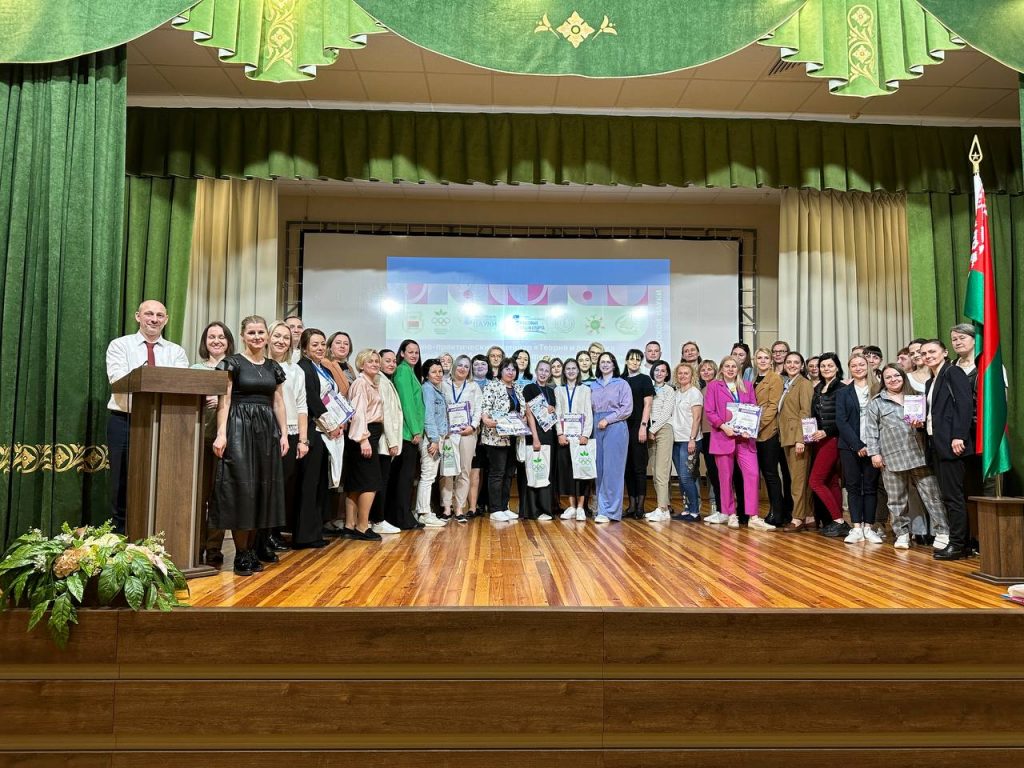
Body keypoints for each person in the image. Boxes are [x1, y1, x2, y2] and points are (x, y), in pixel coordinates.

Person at [210, 315, 288, 576]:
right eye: (251, 332)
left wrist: (283, 434)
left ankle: (252, 550)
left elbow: (278, 402)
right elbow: (224, 401)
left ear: (267, 336)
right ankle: (241, 554)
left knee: (261, 490)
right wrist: (222, 433)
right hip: (239, 428)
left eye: (261, 332)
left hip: (266, 431)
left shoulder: (274, 367)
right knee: (242, 490)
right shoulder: (232, 363)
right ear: (243, 335)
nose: (257, 337)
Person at [105, 300, 189, 533]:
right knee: (121, 480)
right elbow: (117, 380)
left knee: (162, 478)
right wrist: (151, 378)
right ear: (137, 316)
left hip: (164, 423)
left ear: (166, 319)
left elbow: (180, 384)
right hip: (125, 421)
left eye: (160, 315)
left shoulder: (176, 352)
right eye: (149, 314)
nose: (154, 319)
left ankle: (157, 533)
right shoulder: (120, 345)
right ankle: (120, 534)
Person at [865, 364, 950, 550]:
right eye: (888, 377)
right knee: (896, 501)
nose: (893, 379)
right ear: (883, 381)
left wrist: (921, 425)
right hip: (891, 458)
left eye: (896, 375)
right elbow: (871, 431)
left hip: (919, 456)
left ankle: (943, 532)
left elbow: (931, 423)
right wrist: (874, 453)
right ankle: (902, 534)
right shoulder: (877, 403)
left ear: (903, 376)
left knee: (933, 497)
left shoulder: (918, 397)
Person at [920, 339, 975, 560]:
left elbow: (965, 404)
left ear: (944, 352)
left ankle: (958, 545)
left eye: (932, 351)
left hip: (953, 444)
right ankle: (964, 544)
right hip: (936, 445)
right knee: (949, 496)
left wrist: (959, 435)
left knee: (954, 497)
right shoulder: (930, 382)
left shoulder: (953, 372)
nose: (928, 356)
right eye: (924, 353)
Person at [704, 356, 773, 530]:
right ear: (721, 369)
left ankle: (753, 516)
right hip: (723, 437)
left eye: (733, 366)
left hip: (745, 439)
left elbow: (752, 409)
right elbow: (710, 412)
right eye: (727, 366)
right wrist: (723, 426)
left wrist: (749, 427)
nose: (730, 369)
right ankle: (731, 514)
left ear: (738, 369)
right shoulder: (714, 386)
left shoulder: (747, 386)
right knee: (725, 478)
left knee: (753, 475)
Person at [191, 322, 234, 568]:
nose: (216, 341)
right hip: (200, 438)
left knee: (220, 496)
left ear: (228, 341)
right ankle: (195, 545)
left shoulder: (235, 367)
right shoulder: (195, 369)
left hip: (227, 439)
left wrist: (223, 402)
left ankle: (214, 547)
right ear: (204, 341)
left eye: (221, 336)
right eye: (211, 337)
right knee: (199, 495)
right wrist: (201, 400)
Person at [267, 321, 310, 553]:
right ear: (268, 337)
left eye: (286, 337)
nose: (281, 341)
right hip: (263, 431)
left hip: (290, 433)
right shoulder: (260, 365)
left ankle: (274, 533)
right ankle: (261, 535)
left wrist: (303, 439)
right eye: (277, 336)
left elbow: (302, 406)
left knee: (282, 487)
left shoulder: (296, 371)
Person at [294, 329, 338, 549]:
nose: (320, 348)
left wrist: (340, 420)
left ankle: (315, 530)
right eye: (315, 345)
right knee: (309, 484)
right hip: (313, 430)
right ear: (304, 348)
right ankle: (304, 535)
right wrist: (331, 424)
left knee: (320, 483)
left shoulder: (323, 368)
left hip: (326, 432)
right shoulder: (303, 368)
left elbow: (332, 398)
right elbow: (311, 399)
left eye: (322, 344)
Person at [836, 354, 882, 544]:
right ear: (849, 368)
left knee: (871, 487)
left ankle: (869, 527)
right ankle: (856, 527)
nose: (858, 368)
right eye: (853, 365)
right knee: (853, 486)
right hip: (849, 446)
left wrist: (870, 445)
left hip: (874, 445)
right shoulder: (843, 392)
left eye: (861, 364)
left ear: (868, 366)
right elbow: (841, 421)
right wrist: (857, 445)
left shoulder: (878, 388)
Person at [343, 349, 387, 541]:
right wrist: (363, 439)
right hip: (364, 435)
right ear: (361, 364)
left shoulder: (370, 383)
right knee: (371, 482)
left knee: (356, 482)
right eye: (370, 361)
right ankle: (362, 526)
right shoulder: (361, 384)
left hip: (367, 435)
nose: (375, 364)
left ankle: (349, 525)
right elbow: (358, 412)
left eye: (377, 361)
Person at [806, 352, 849, 538]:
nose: (826, 369)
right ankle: (837, 521)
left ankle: (839, 521)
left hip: (833, 439)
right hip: (819, 439)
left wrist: (827, 431)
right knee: (831, 481)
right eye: (823, 366)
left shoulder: (842, 388)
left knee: (815, 481)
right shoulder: (818, 388)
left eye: (830, 365)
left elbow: (843, 417)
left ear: (837, 367)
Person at [480, 358, 528, 522]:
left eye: (513, 369)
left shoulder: (518, 388)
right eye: (507, 369)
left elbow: (522, 412)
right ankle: (495, 509)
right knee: (497, 473)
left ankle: (504, 506)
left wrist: (523, 420)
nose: (510, 372)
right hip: (496, 437)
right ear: (500, 371)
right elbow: (485, 410)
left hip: (514, 437)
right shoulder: (492, 386)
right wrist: (488, 420)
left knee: (508, 474)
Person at [589, 352, 633, 523]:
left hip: (615, 427)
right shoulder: (593, 385)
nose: (605, 364)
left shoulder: (622, 384)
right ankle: (601, 508)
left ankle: (611, 511)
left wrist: (607, 420)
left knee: (613, 470)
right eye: (602, 362)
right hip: (596, 426)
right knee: (599, 469)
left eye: (609, 361)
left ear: (614, 364)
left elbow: (627, 408)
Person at [388, 339, 426, 530]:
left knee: (404, 477)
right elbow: (407, 404)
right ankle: (401, 518)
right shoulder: (402, 371)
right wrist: (416, 430)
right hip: (407, 433)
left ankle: (401, 516)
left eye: (416, 352)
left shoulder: (410, 372)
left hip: (409, 432)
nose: (414, 355)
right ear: (402, 353)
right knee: (404, 478)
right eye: (410, 352)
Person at [441, 355, 482, 523]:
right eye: (460, 365)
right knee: (448, 471)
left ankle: (459, 508)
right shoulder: (444, 384)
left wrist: (472, 426)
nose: (463, 368)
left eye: (466, 366)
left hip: (467, 434)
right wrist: (444, 428)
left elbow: (478, 409)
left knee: (465, 471)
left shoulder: (473, 386)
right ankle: (446, 507)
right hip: (449, 434)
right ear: (454, 366)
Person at [778, 352, 816, 532]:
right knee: (801, 479)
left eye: (796, 362)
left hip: (797, 439)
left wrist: (801, 439)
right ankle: (809, 516)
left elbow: (805, 412)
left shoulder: (804, 383)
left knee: (797, 482)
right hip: (788, 437)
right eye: (789, 362)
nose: (792, 365)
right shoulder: (788, 384)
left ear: (802, 366)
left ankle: (797, 518)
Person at [555, 358, 593, 521]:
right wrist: (559, 433)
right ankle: (571, 506)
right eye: (568, 368)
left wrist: (586, 434)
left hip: (580, 437)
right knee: (567, 472)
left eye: (573, 368)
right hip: (565, 438)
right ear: (564, 372)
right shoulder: (558, 390)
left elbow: (588, 413)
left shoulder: (585, 389)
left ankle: (581, 507)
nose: (571, 371)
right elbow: (557, 413)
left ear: (578, 371)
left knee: (582, 472)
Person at [370, 348, 403, 536]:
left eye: (393, 361)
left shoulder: (386, 381)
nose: (392, 364)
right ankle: (378, 520)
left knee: (383, 480)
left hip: (387, 440)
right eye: (387, 361)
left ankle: (378, 518)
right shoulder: (381, 382)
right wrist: (392, 442)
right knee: (381, 481)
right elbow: (387, 415)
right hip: (384, 440)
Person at [521, 360, 559, 520]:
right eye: (541, 370)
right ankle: (532, 510)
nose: (543, 373)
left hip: (549, 435)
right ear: (536, 371)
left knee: (545, 471)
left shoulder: (551, 391)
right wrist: (535, 437)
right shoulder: (529, 388)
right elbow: (529, 414)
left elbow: (552, 414)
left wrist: (552, 409)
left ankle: (546, 509)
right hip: (534, 434)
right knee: (533, 469)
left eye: (546, 371)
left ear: (550, 374)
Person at [753, 347, 786, 526]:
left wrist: (756, 426)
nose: (763, 361)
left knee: (771, 474)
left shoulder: (775, 378)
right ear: (755, 360)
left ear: (771, 360)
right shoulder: (753, 379)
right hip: (754, 434)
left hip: (768, 432)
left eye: (766, 357)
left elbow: (773, 407)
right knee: (764, 474)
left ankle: (777, 513)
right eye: (760, 358)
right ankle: (773, 511)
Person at [414, 358, 449, 527]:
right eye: (434, 372)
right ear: (426, 375)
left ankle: (423, 510)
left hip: (436, 437)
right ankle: (423, 513)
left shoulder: (436, 389)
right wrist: (434, 440)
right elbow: (428, 416)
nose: (438, 374)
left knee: (430, 475)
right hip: (430, 438)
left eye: (440, 371)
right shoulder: (428, 389)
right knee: (428, 476)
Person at [667, 362, 703, 523]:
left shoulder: (694, 393)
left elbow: (697, 418)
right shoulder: (676, 393)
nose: (682, 376)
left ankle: (695, 511)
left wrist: (692, 439)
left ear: (692, 375)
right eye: (680, 373)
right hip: (676, 439)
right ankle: (687, 509)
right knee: (682, 478)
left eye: (686, 373)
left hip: (689, 440)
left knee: (686, 476)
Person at [622, 349, 655, 519]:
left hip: (638, 426)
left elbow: (648, 404)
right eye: (631, 359)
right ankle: (632, 505)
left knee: (639, 468)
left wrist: (643, 426)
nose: (634, 362)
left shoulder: (645, 379)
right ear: (626, 361)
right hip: (622, 427)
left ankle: (641, 506)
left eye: (638, 360)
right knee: (627, 467)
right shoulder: (620, 379)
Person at [644, 360, 676, 522]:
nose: (659, 373)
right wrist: (648, 428)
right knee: (655, 472)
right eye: (657, 370)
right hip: (650, 430)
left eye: (663, 371)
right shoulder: (649, 387)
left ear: (667, 374)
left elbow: (666, 413)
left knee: (662, 472)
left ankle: (662, 509)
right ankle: (662, 507)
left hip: (663, 429)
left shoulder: (669, 390)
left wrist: (652, 429)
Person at [696, 359, 721, 515]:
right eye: (703, 370)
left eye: (709, 369)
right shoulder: (702, 390)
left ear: (715, 371)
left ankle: (721, 507)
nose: (706, 372)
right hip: (705, 434)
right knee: (712, 471)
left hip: (717, 433)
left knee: (719, 473)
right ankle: (718, 507)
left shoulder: (719, 387)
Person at [469, 354, 492, 515]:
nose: (479, 367)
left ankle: (486, 503)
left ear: (488, 367)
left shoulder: (494, 384)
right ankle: (473, 506)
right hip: (472, 433)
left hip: (491, 434)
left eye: (483, 364)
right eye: (476, 364)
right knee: (474, 470)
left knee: (488, 470)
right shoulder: (467, 384)